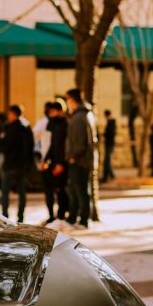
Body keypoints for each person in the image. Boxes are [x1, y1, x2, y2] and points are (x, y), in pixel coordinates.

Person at [64, 88, 97, 229]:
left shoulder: (78, 117)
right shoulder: (86, 114)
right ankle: (77, 218)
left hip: (79, 160)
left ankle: (83, 220)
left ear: (72, 100)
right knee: (81, 190)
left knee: (80, 190)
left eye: (67, 99)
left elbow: (79, 142)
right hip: (84, 160)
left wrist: (72, 157)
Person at [0, 105, 34, 223]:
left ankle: (4, 216)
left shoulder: (10, 127)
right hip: (23, 165)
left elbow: (6, 145)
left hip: (11, 164)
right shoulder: (27, 126)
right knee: (22, 192)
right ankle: (21, 217)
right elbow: (31, 146)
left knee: (5, 191)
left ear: (13, 114)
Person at [39, 100, 70, 225]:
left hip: (61, 163)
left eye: (52, 111)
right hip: (53, 162)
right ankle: (52, 215)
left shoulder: (65, 124)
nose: (50, 113)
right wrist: (45, 160)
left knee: (61, 190)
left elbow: (64, 146)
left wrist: (61, 163)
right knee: (49, 190)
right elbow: (53, 145)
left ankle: (61, 214)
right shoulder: (53, 124)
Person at [101, 109, 117, 183]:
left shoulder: (111, 123)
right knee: (107, 161)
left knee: (107, 161)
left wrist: (104, 134)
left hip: (109, 144)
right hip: (109, 144)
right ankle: (111, 176)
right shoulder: (110, 122)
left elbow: (110, 134)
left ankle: (106, 177)